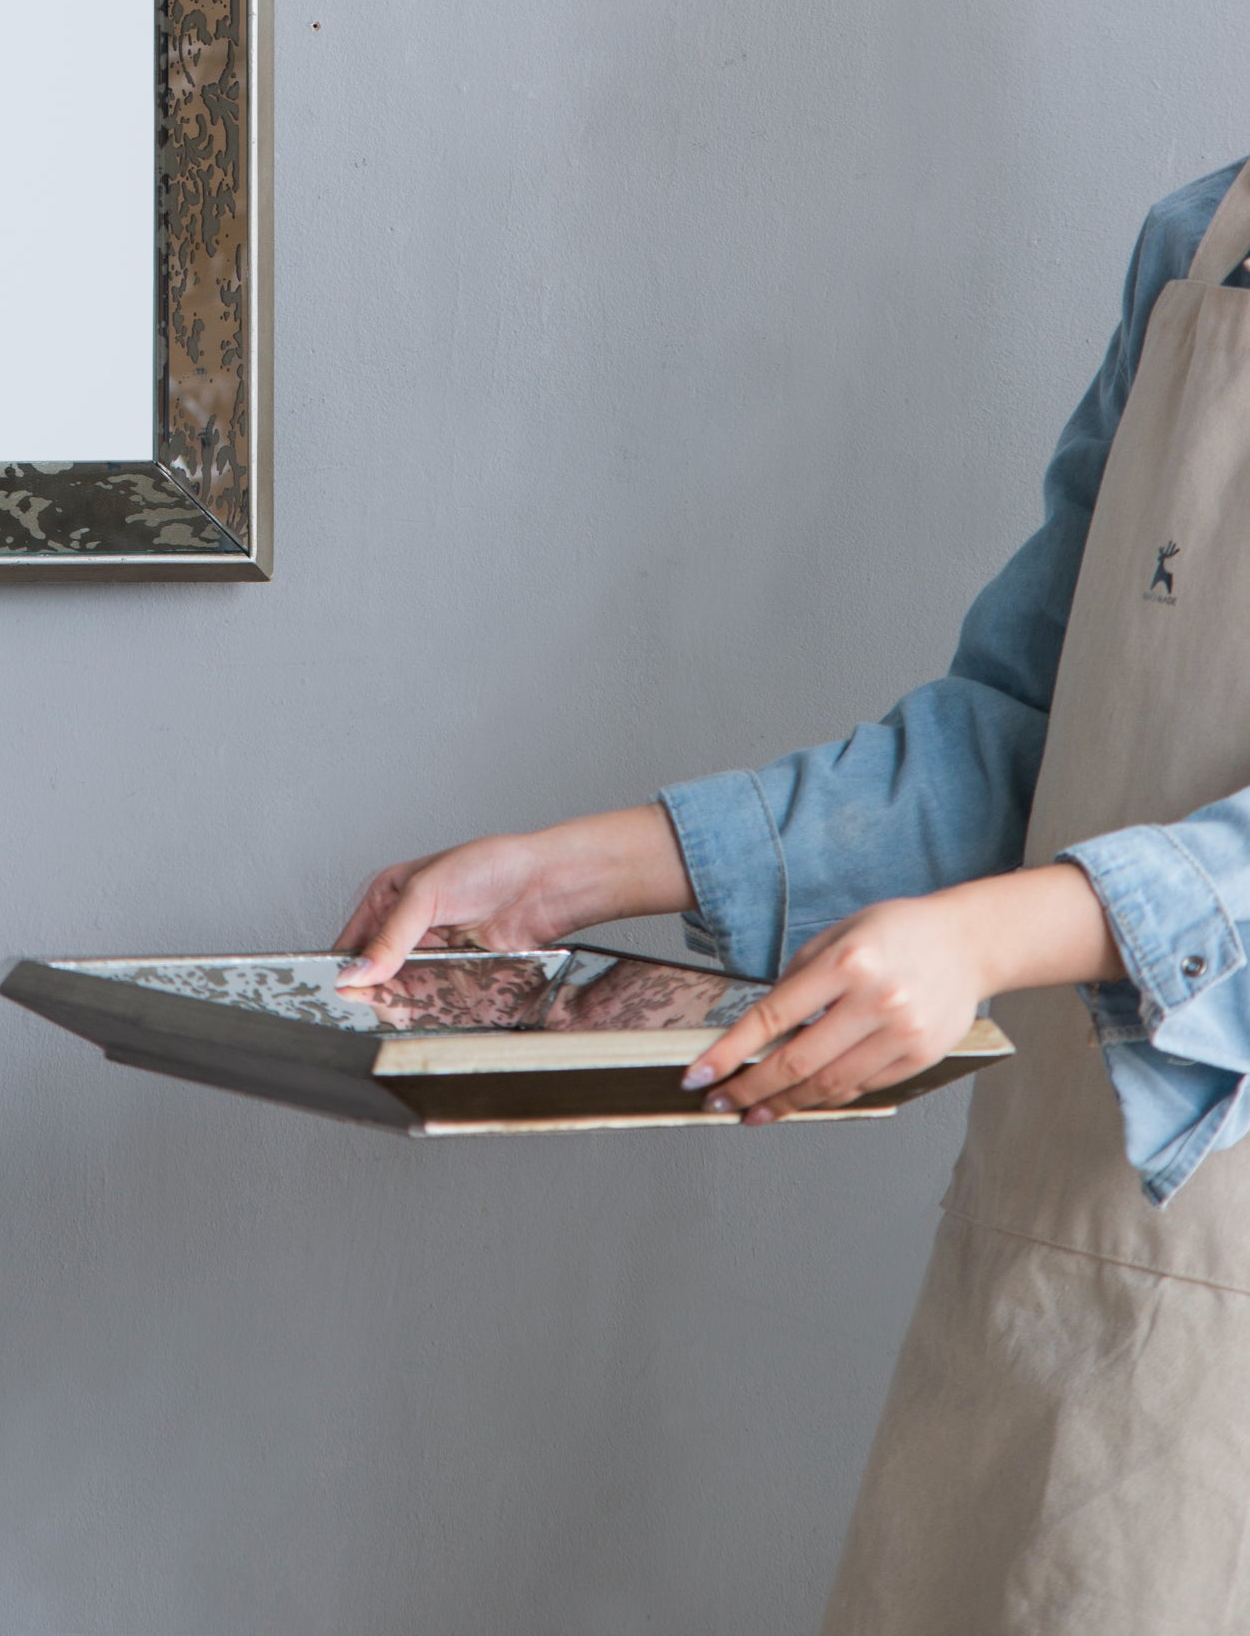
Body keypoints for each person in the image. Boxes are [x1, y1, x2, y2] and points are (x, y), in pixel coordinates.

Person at [335, 157, 1250, 1635]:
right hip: (1048, 1283)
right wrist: (564, 878)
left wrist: (987, 938)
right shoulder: (1200, 245)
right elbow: (1033, 729)